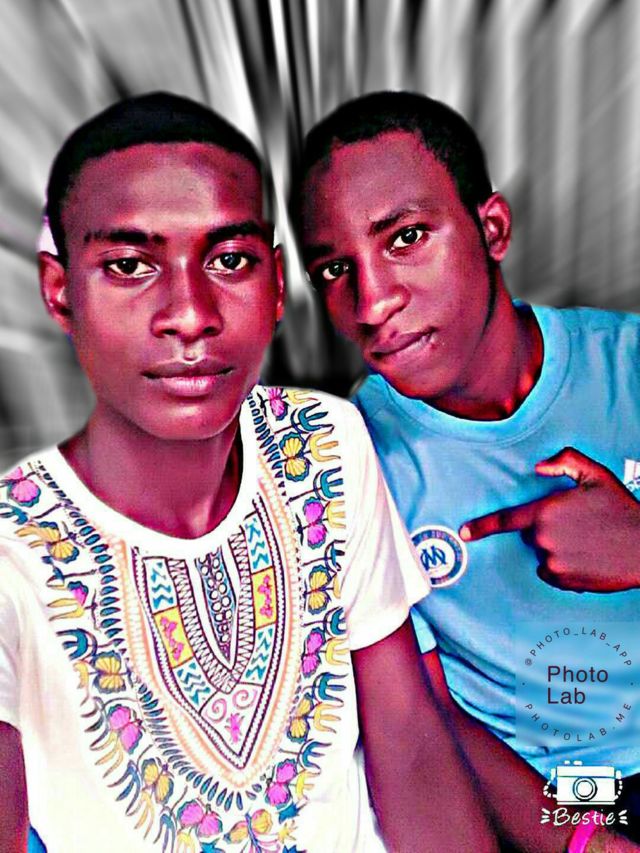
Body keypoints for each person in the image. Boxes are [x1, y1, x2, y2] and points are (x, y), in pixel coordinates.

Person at [0, 93, 497, 853]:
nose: (191, 314)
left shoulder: (324, 441)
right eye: (129, 266)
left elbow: (411, 745)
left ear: (275, 284)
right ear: (61, 291)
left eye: (229, 260)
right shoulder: (11, 545)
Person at [297, 90, 640, 851]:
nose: (372, 303)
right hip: (560, 800)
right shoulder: (349, 462)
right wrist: (585, 843)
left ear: (492, 229)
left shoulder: (631, 364)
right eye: (335, 269)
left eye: (406, 237)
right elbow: (431, 714)